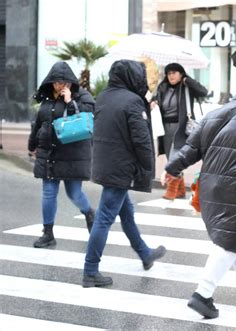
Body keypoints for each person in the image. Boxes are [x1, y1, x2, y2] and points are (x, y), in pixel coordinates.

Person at [164, 80, 236, 319]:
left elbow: (191, 148)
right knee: (231, 239)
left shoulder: (216, 113)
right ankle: (203, 294)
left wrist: (172, 168)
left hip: (211, 186)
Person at [82, 60, 166, 288]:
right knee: (104, 218)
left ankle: (145, 253)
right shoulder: (132, 101)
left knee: (126, 212)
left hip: (105, 164)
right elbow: (141, 141)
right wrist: (148, 168)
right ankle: (90, 270)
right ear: (132, 77)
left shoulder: (104, 97)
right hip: (121, 167)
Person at [28, 61, 96, 248]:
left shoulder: (82, 96)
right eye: (57, 82)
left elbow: (88, 118)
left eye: (64, 82)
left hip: (73, 153)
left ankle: (90, 213)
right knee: (48, 193)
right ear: (51, 82)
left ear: (71, 82)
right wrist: (32, 144)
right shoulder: (47, 99)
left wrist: (70, 102)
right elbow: (39, 123)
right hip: (49, 152)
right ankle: (48, 233)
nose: (61, 86)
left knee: (74, 193)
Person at [154, 62, 208, 200]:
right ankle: (181, 190)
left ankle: (171, 191)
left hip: (181, 127)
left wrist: (187, 80)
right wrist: (154, 101)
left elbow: (203, 92)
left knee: (175, 157)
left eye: (174, 73)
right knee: (169, 156)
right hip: (165, 126)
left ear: (181, 73)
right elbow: (156, 99)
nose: (171, 76)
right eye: (169, 73)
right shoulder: (163, 87)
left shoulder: (186, 86)